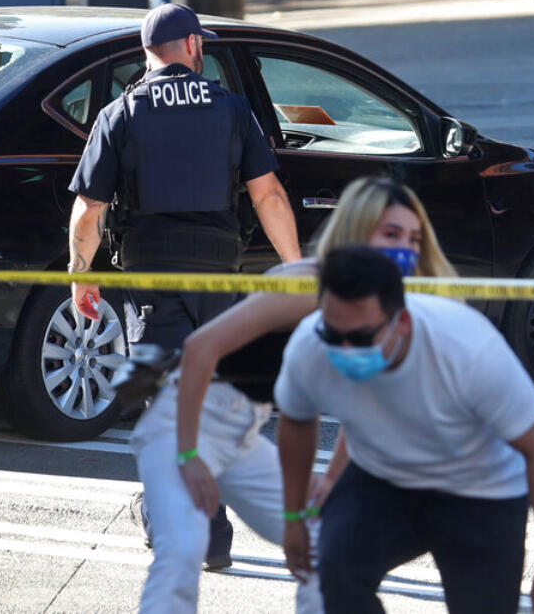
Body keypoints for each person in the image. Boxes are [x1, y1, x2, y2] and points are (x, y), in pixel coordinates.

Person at [67, 2, 301, 612]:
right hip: (217, 275)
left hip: (151, 276)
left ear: (148, 55)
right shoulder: (229, 108)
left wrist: (80, 276)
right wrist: (295, 265)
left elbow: (88, 211)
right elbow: (268, 194)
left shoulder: (119, 113)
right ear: (193, 46)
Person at [168, 176, 455, 612]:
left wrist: (334, 477)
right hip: (209, 417)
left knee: (329, 550)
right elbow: (198, 349)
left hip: (255, 419)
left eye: (412, 238)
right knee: (321, 552)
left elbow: (359, 403)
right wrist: (188, 456)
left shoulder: (378, 300)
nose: (404, 250)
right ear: (358, 234)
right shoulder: (309, 286)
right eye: (390, 234)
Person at [276, 245, 534, 614]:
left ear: (402, 322)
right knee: (333, 575)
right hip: (382, 480)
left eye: (362, 337)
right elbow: (296, 420)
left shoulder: (466, 347)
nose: (346, 349)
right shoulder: (310, 344)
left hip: (480, 491)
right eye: (335, 336)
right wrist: (292, 519)